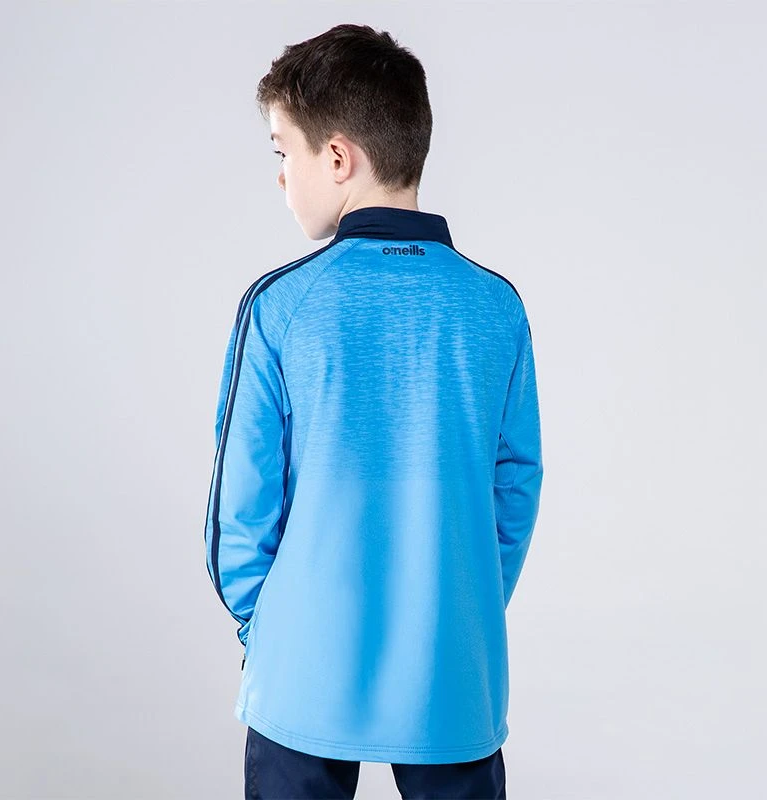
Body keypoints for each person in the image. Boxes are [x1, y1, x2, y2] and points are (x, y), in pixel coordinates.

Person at [204, 22, 544, 800]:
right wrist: (459, 610)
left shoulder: (279, 306)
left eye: (283, 152)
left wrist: (267, 630)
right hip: (450, 673)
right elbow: (514, 487)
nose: (280, 177)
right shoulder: (496, 308)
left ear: (336, 157)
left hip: (302, 677)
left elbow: (240, 509)